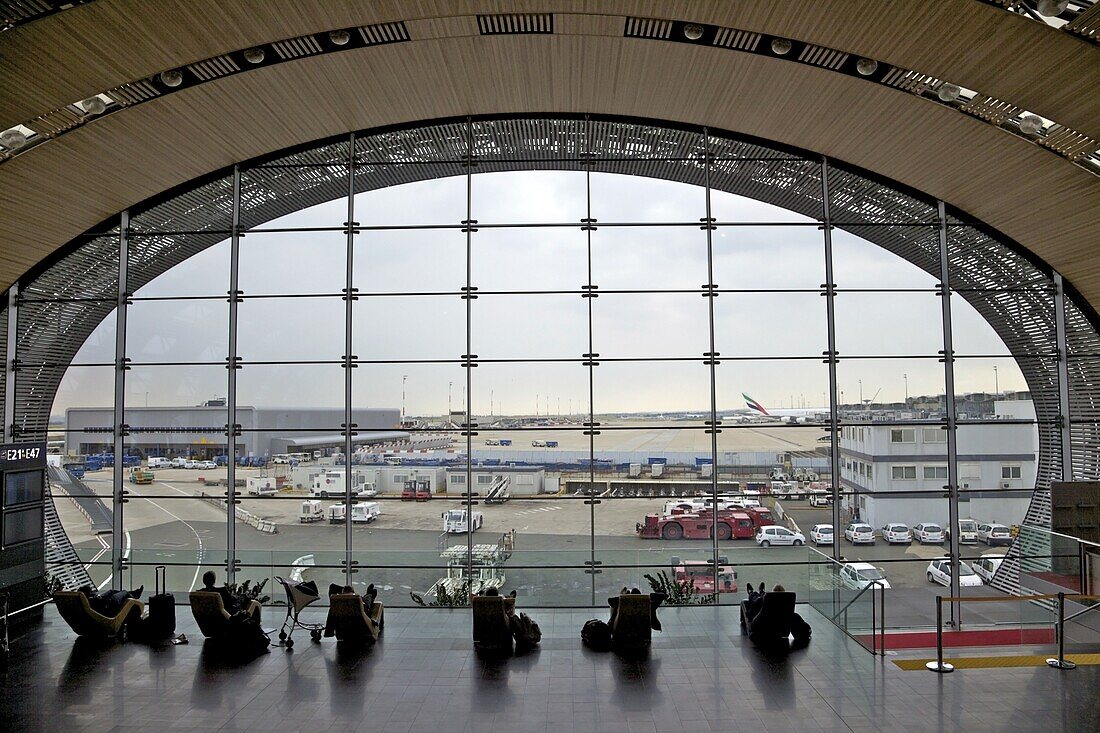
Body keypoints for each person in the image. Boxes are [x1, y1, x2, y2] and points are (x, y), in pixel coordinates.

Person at [78, 583, 143, 617]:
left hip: (107, 603)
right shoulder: (90, 601)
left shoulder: (84, 601)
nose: (92, 592)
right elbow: (100, 604)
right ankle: (135, 594)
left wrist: (97, 597)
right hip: (110, 605)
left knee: (111, 591)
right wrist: (98, 598)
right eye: (91, 591)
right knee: (124, 592)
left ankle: (134, 593)